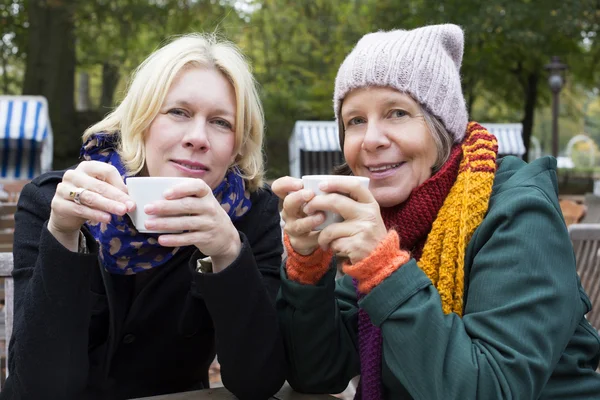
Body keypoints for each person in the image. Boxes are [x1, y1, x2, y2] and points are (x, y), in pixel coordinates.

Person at [274, 24, 600, 399]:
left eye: (397, 112)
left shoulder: (519, 213)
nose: (371, 139)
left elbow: (486, 389)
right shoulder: (384, 218)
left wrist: (384, 270)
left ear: (441, 127)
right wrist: (307, 266)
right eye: (355, 121)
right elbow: (318, 373)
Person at [4, 33, 285, 400]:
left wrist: (228, 252)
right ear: (140, 121)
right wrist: (62, 234)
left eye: (221, 122)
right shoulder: (51, 201)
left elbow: (258, 382)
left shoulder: (249, 213)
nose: (198, 137)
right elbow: (39, 388)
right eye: (178, 112)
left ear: (237, 147)